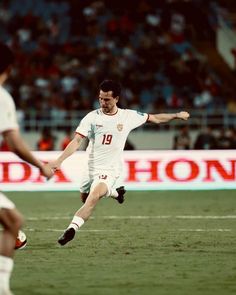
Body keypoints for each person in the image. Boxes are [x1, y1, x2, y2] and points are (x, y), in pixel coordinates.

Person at [48, 80, 190, 246]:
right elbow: (77, 140)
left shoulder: (128, 116)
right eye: (100, 98)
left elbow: (155, 118)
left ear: (116, 99)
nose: (102, 103)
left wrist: (176, 115)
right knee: (84, 198)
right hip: (90, 167)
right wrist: (60, 160)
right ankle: (116, 193)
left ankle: (71, 229)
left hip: (110, 169)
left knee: (93, 198)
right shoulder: (92, 118)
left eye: (107, 99)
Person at [0, 43, 53, 295]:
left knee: (13, 221)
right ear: (9, 68)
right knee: (13, 222)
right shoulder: (2, 97)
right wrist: (41, 165)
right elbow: (13, 142)